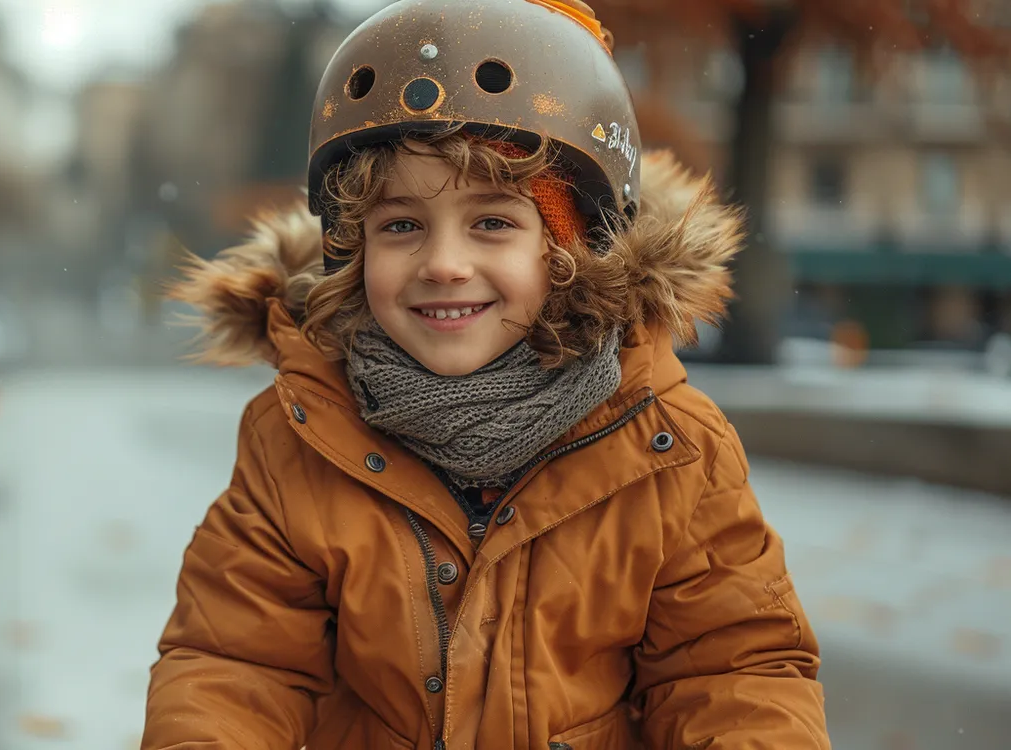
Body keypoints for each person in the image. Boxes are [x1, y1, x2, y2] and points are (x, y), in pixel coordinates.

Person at [143, 1, 829, 748]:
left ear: (573, 250)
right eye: (401, 225)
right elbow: (236, 664)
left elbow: (731, 672)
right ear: (352, 252)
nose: (443, 264)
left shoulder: (673, 449)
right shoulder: (297, 439)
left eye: (493, 223)